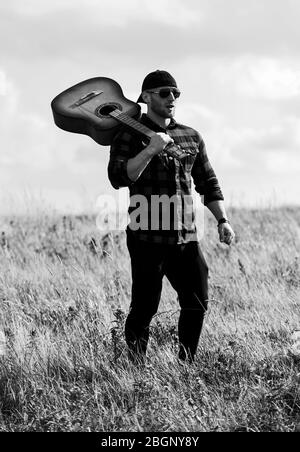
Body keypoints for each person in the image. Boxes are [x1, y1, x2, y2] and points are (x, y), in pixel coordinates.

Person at [108, 70, 235, 364]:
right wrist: (151, 148)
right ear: (146, 97)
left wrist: (222, 220)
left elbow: (208, 182)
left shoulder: (190, 136)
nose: (172, 98)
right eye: (165, 93)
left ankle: (185, 364)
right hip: (147, 236)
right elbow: (118, 177)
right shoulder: (127, 134)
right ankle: (136, 368)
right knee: (144, 306)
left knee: (197, 302)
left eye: (176, 93)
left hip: (186, 236)